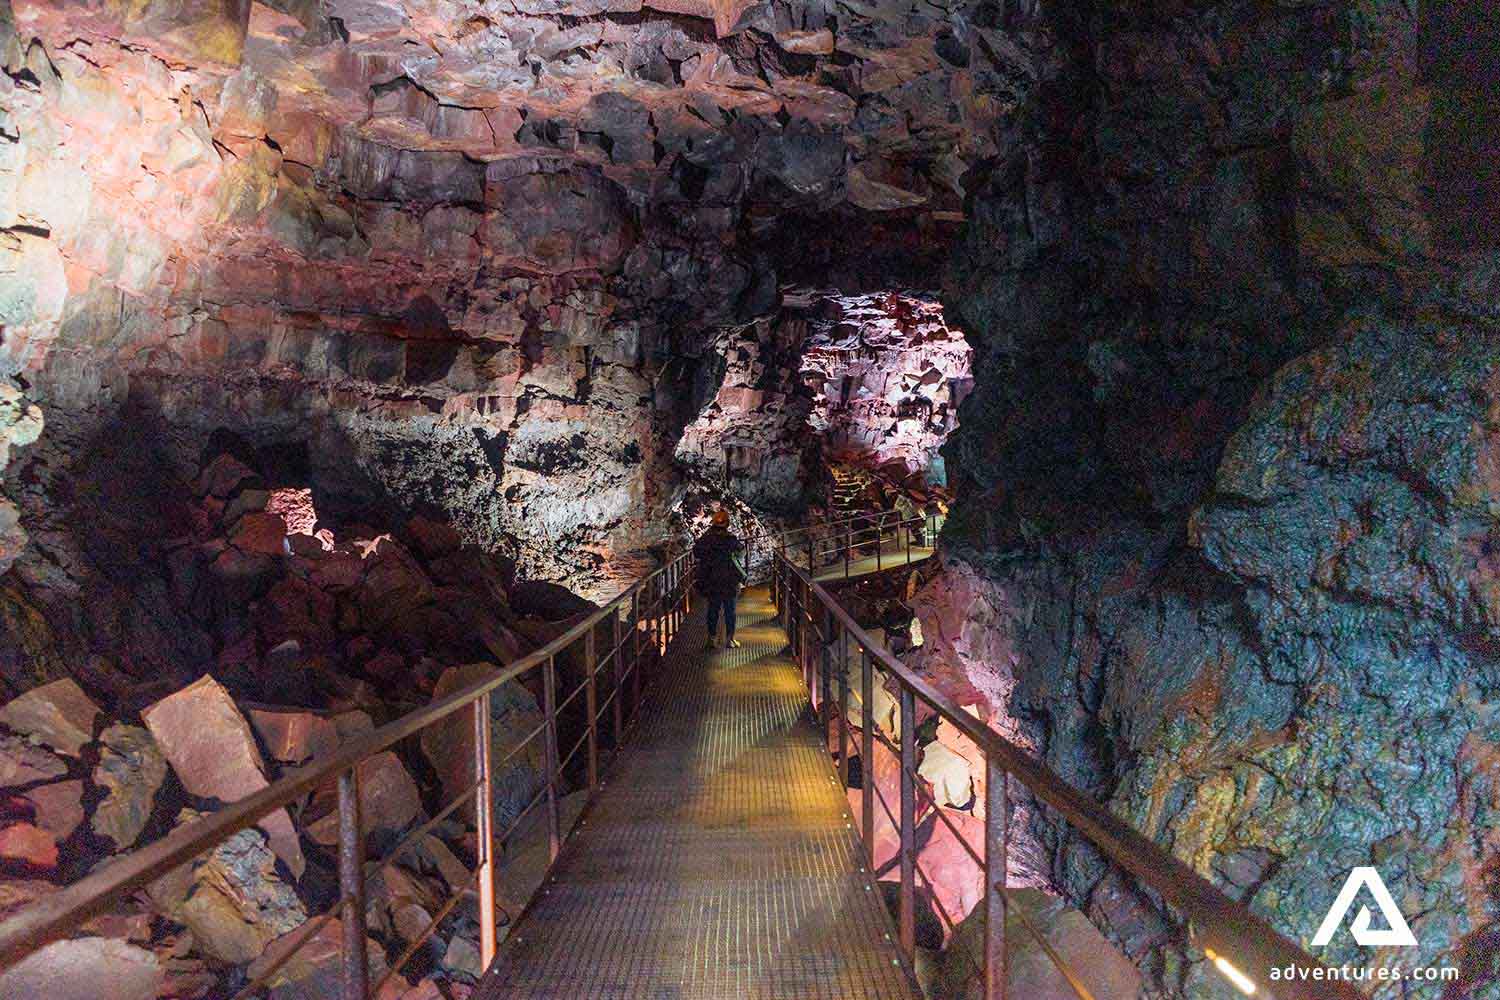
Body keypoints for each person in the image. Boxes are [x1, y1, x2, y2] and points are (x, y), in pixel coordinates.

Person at [694, 509, 746, 649]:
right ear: (727, 524)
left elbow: (696, 552)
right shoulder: (730, 539)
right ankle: (730, 640)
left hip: (712, 580)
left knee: (713, 610)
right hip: (729, 581)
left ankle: (711, 639)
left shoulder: (706, 539)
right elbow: (741, 552)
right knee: (730, 611)